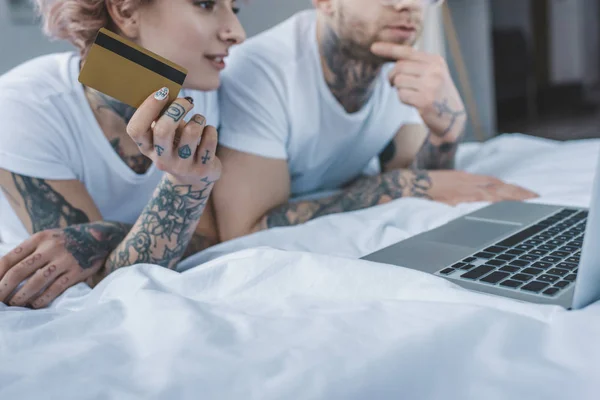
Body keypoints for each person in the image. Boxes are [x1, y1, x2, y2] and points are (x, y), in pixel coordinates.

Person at [212, 0, 538, 241]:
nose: (409, 5)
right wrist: (393, 186)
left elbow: (420, 178)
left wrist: (445, 131)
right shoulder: (261, 70)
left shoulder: (393, 62)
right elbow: (245, 228)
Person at [0, 0, 245, 308]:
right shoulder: (24, 109)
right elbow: (97, 283)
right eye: (205, 4)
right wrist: (184, 188)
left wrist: (105, 233)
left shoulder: (198, 97)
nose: (237, 33)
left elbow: (207, 237)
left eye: (235, 8)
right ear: (126, 12)